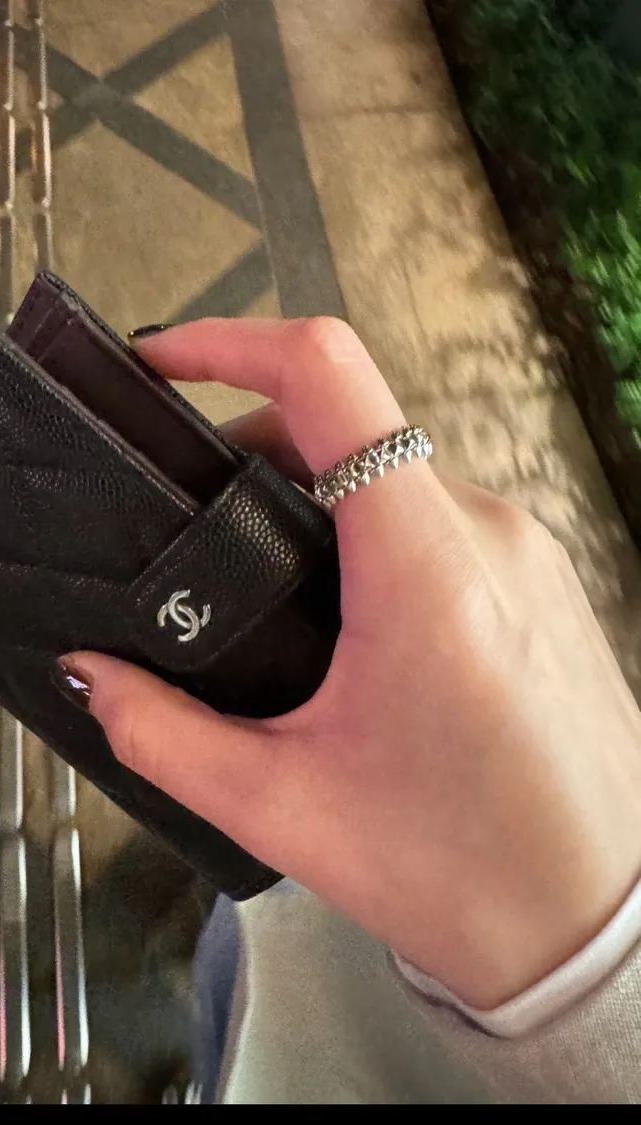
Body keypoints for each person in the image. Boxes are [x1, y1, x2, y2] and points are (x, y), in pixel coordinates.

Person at [54, 317, 641, 1103]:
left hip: (364, 1030)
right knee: (249, 964)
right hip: (350, 955)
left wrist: (598, 980)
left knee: (258, 986)